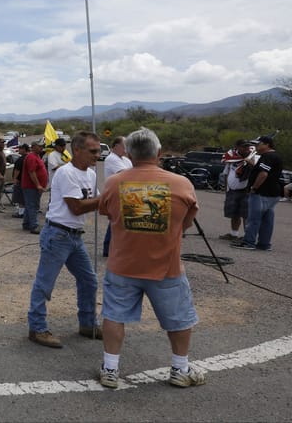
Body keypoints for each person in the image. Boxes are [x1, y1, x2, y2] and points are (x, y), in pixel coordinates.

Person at [97, 127, 206, 389]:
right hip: (166, 267)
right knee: (179, 319)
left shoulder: (114, 183)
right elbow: (186, 223)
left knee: (114, 315)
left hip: (123, 264)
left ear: (130, 154)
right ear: (158, 152)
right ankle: (180, 369)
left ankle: (110, 369)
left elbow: (108, 213)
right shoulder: (181, 183)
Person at [27, 131, 103, 349]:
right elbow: (77, 206)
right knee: (44, 284)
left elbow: (95, 201)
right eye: (93, 151)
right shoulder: (66, 173)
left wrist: (108, 202)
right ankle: (37, 328)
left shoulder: (90, 174)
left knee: (89, 280)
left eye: (98, 151)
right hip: (58, 235)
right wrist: (106, 199)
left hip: (75, 237)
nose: (97, 155)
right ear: (76, 150)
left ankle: (88, 324)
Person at [231, 136, 283, 251]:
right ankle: (264, 244)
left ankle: (248, 242)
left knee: (254, 218)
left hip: (261, 192)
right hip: (273, 192)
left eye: (259, 144)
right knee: (267, 219)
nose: (256, 146)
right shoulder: (276, 156)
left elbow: (263, 174)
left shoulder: (267, 156)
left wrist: (254, 187)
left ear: (267, 145)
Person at [101, 136, 132, 256]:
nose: (126, 149)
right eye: (124, 146)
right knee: (115, 221)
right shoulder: (112, 159)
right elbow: (124, 174)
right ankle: (107, 249)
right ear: (115, 147)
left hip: (126, 194)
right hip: (115, 194)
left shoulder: (125, 159)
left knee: (120, 222)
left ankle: (116, 248)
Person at [219, 139, 254, 241]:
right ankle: (233, 234)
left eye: (247, 146)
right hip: (232, 190)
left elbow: (257, 169)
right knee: (234, 213)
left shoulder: (253, 157)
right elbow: (226, 173)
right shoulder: (231, 158)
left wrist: (250, 162)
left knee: (246, 214)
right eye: (244, 146)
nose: (246, 148)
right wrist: (226, 188)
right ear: (237, 147)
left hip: (246, 191)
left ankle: (247, 236)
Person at [21, 140, 48, 234]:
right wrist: (38, 185)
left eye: (42, 146)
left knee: (30, 205)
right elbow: (31, 172)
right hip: (31, 186)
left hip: (33, 187)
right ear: (33, 146)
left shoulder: (37, 156)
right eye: (39, 146)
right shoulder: (31, 157)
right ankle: (34, 226)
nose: (41, 147)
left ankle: (27, 223)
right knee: (33, 206)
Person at [11, 144, 28, 218]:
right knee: (24, 198)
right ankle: (24, 212)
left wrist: (15, 179)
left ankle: (21, 213)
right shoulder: (28, 158)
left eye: (20, 149)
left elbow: (17, 170)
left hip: (20, 181)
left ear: (24, 149)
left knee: (20, 198)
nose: (19, 150)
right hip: (26, 181)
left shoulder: (21, 159)